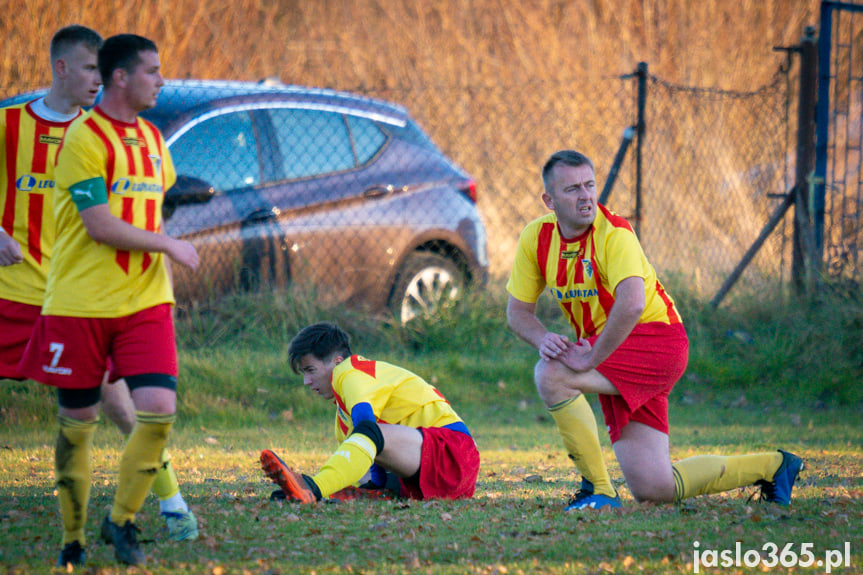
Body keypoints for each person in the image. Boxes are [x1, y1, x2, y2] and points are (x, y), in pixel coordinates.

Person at [506, 149, 803, 511]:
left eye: (590, 185)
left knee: (552, 375)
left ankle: (598, 490)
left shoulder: (614, 233)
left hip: (655, 340)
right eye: (571, 190)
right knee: (654, 487)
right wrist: (543, 338)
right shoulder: (536, 238)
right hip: (614, 346)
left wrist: (591, 358)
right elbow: (518, 312)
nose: (585, 196)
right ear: (548, 200)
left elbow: (631, 304)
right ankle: (775, 466)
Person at [0, 26, 199, 559]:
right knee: (83, 420)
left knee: (128, 408)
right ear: (63, 68)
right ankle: (79, 534)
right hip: (17, 292)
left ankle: (169, 502)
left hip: (90, 297)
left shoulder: (133, 137)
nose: (94, 79)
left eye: (99, 69)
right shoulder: (11, 125)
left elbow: (144, 209)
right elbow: (99, 222)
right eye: (88, 68)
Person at [260, 322, 479, 504]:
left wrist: (317, 488)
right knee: (362, 458)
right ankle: (372, 493)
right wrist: (373, 484)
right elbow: (367, 453)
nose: (307, 382)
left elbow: (367, 426)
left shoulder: (350, 371)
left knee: (366, 433)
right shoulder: (342, 418)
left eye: (310, 370)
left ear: (337, 362)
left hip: (455, 454)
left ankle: (313, 488)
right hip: (430, 474)